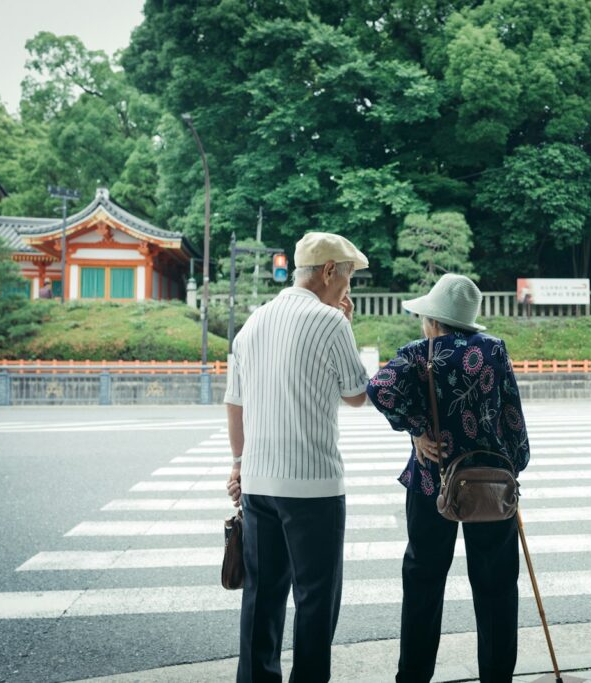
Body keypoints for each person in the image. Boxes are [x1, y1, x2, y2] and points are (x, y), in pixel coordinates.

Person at [366, 274, 531, 683]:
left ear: (434, 321)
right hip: (491, 484)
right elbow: (512, 415)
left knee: (424, 581)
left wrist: (417, 429)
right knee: (496, 587)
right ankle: (496, 677)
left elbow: (378, 389)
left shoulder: (419, 353)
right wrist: (516, 463)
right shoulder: (493, 350)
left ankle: (414, 677)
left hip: (432, 482)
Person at [224, 232, 370, 682]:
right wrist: (345, 324)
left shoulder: (253, 322)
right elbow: (357, 394)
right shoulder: (331, 322)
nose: (349, 290)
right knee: (315, 599)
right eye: (348, 279)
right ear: (329, 272)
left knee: (262, 597)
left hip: (259, 483)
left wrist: (238, 465)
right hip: (313, 487)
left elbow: (235, 402)